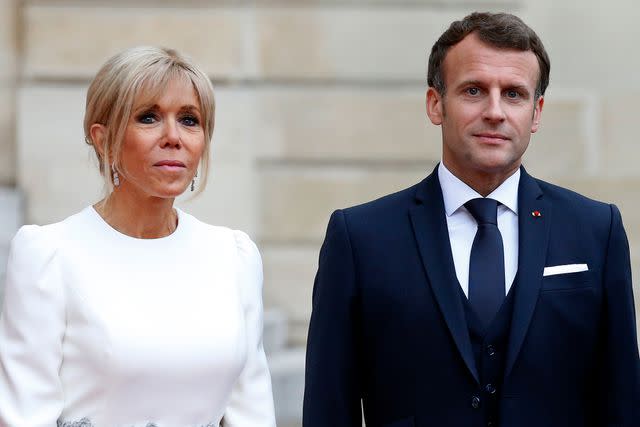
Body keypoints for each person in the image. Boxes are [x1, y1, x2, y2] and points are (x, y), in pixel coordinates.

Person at [303, 12, 639, 427]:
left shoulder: (596, 229)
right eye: (475, 90)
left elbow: (622, 400)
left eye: (514, 94)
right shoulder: (358, 238)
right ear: (435, 104)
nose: (495, 111)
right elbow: (328, 407)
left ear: (536, 113)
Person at [0, 46, 275, 427]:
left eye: (190, 120)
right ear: (103, 139)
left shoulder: (234, 256)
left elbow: (253, 414)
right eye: (149, 117)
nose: (173, 137)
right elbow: (25, 417)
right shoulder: (49, 255)